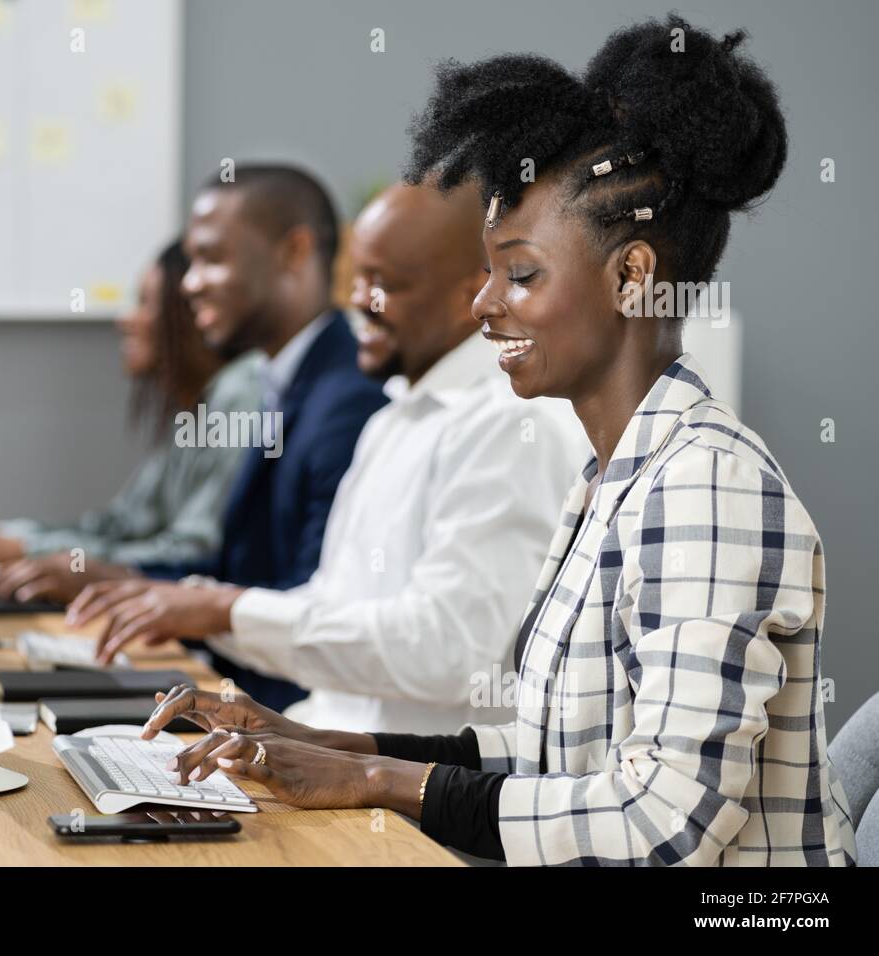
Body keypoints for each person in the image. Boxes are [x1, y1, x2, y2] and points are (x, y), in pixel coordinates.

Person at [140, 18, 858, 866]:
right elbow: (567, 759)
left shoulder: (706, 485)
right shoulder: (611, 476)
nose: (483, 304)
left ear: (632, 278)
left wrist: (381, 786)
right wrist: (331, 747)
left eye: (520, 273)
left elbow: (666, 822)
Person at [68, 182, 585, 735]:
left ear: (473, 294)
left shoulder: (507, 425)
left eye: (386, 283)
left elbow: (446, 651)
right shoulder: (393, 417)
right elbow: (337, 612)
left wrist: (228, 611)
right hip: (336, 759)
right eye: (357, 278)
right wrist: (259, 714)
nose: (359, 300)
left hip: (409, 804)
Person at [77, 164, 390, 711]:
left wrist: (194, 605)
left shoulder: (347, 400)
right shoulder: (280, 382)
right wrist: (137, 585)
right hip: (239, 697)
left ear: (293, 253)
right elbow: (241, 571)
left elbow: (315, 607)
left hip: (291, 719)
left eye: (211, 258)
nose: (190, 283)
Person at [0, 239, 260, 601]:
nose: (125, 319)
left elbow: (194, 552)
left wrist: (30, 550)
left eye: (145, 303)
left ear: (193, 312)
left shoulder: (239, 395)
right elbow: (121, 525)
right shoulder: (196, 411)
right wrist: (9, 538)